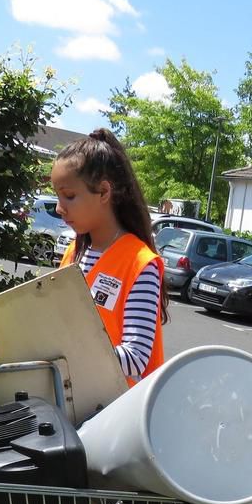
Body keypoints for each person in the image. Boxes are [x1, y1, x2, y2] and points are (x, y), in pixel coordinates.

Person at [52, 129, 166, 385]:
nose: (60, 208)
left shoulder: (140, 263)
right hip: (75, 398)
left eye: (69, 196)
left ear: (104, 192)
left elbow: (137, 358)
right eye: (58, 196)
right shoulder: (73, 252)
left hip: (116, 412)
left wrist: (66, 354)